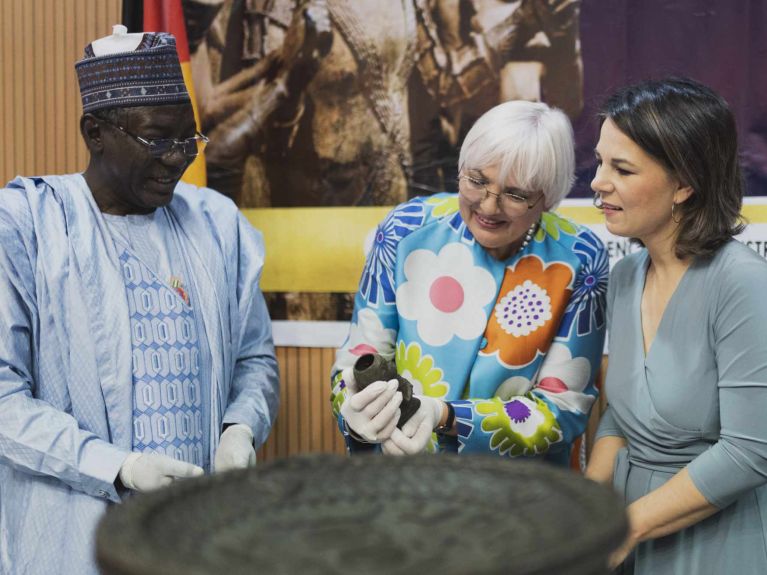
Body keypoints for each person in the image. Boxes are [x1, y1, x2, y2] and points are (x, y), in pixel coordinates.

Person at [0, 29, 279, 575]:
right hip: (69, 541)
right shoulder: (26, 226)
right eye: (156, 138)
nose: (175, 158)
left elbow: (254, 359)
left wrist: (240, 429)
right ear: (96, 132)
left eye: (187, 139)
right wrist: (117, 467)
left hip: (194, 537)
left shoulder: (218, 224)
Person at [329, 100, 608, 463]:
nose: (489, 207)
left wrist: (446, 417)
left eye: (515, 194)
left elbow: (562, 408)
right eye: (477, 181)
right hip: (402, 478)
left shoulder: (580, 258)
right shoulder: (406, 229)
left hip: (520, 496)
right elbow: (358, 360)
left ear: (547, 198)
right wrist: (353, 411)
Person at [585, 77, 767, 574]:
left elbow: (750, 452)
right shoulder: (624, 276)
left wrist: (630, 525)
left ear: (685, 184)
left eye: (622, 168)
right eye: (600, 161)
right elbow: (622, 416)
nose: (598, 181)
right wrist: (584, 507)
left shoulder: (744, 284)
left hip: (717, 541)